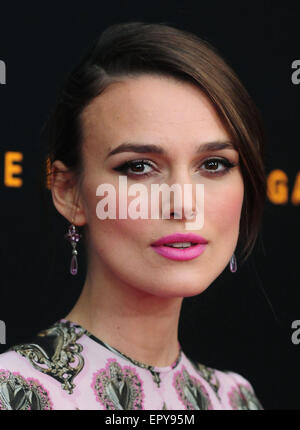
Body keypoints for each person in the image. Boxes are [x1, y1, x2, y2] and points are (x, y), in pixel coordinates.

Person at [0, 21, 266, 410]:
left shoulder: (235, 398)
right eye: (139, 167)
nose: (183, 204)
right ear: (68, 191)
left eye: (213, 164)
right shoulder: (15, 392)